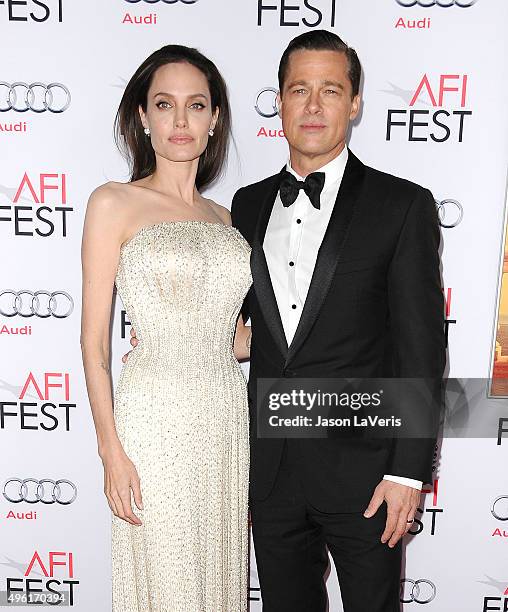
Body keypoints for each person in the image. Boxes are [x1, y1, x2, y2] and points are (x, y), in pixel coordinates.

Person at [127, 31, 446, 612]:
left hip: (367, 477)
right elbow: (245, 326)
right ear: (279, 100)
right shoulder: (244, 206)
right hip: (268, 474)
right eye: (300, 89)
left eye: (332, 90)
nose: (315, 106)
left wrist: (408, 472)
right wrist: (177, 345)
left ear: (355, 103)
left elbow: (422, 348)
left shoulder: (402, 206)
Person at [80, 44, 252, 612]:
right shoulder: (114, 203)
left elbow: (233, 338)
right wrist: (112, 450)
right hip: (153, 420)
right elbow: (94, 341)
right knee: (168, 581)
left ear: (215, 120)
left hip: (225, 418)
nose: (181, 120)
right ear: (142, 118)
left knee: (217, 578)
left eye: (196, 105)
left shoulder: (228, 220)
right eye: (164, 104)